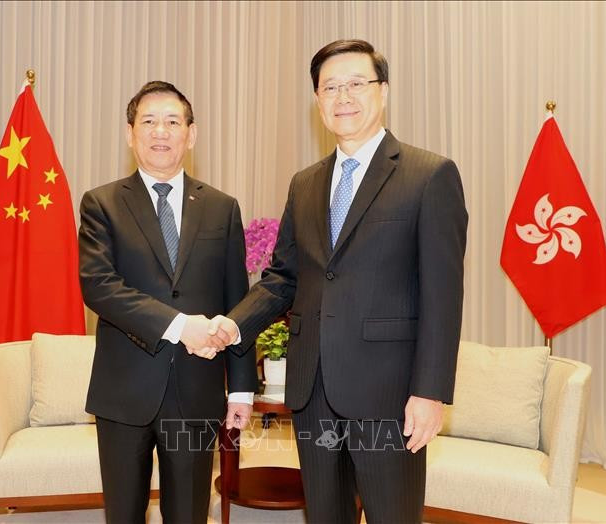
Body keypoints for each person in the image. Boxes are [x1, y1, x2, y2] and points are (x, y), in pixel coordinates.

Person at [214, 39, 468, 523]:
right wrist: (232, 324)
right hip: (314, 390)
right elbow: (283, 278)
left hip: (390, 394)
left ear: (383, 91)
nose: (343, 97)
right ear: (317, 100)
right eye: (330, 87)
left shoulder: (429, 175)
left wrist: (430, 392)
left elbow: (444, 295)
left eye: (356, 83)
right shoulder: (305, 182)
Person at [78, 80, 256, 524]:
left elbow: (237, 301)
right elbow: (99, 286)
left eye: (173, 122)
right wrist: (181, 326)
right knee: (124, 514)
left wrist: (241, 389)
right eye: (149, 121)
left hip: (196, 393)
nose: (161, 132)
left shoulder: (222, 208)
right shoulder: (102, 204)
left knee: (190, 514)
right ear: (130, 133)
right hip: (124, 393)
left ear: (191, 134)